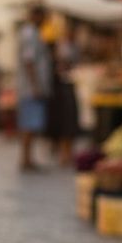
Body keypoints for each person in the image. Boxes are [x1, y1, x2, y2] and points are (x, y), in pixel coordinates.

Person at [16, 3, 52, 172]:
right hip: (30, 88)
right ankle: (26, 159)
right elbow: (29, 61)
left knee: (31, 124)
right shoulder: (30, 34)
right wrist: (35, 85)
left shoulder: (33, 33)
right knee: (29, 124)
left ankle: (28, 158)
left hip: (31, 87)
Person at [46, 19, 80, 166]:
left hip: (69, 84)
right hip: (60, 88)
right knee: (64, 121)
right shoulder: (61, 48)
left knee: (69, 121)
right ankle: (63, 153)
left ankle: (68, 153)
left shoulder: (73, 47)